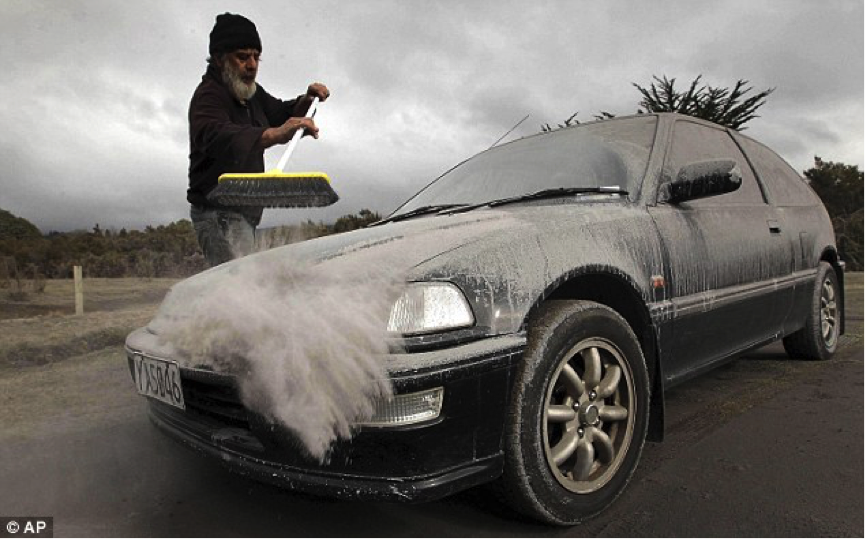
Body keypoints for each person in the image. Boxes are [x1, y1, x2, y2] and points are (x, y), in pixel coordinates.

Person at [187, 12, 330, 267]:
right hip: (218, 214)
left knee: (243, 289)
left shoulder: (251, 93)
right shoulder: (208, 98)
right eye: (242, 57)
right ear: (220, 59)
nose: (252, 65)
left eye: (256, 56)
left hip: (245, 214)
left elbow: (280, 113)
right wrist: (274, 134)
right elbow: (219, 136)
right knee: (238, 290)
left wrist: (306, 101)